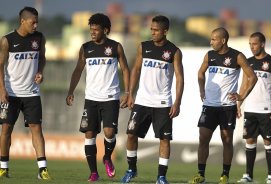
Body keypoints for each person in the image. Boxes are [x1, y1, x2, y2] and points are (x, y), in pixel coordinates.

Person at [66, 13, 130, 182]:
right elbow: (78, 70)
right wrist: (70, 91)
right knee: (89, 134)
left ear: (106, 30)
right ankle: (93, 173)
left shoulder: (115, 47)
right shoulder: (85, 48)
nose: (92, 32)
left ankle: (107, 157)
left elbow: (125, 69)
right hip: (91, 98)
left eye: (96, 29)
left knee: (109, 132)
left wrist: (128, 92)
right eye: (91, 29)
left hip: (110, 97)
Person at [120, 15, 184, 184]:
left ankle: (161, 177)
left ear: (165, 31)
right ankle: (131, 169)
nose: (153, 32)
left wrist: (177, 102)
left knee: (164, 139)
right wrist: (129, 93)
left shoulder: (174, 51)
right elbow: (136, 69)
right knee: (131, 135)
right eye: (151, 29)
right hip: (141, 101)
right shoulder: (144, 47)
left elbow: (179, 77)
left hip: (163, 103)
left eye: (156, 30)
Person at [189, 27, 257, 184]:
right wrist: (201, 90)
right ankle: (200, 175)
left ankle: (225, 174)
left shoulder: (237, 56)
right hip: (209, 105)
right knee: (203, 138)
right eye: (211, 39)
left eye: (214, 39)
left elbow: (252, 77)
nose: (211, 42)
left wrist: (242, 96)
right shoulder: (209, 55)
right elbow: (200, 73)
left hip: (227, 107)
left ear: (223, 40)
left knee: (227, 140)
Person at [0, 7, 51, 179]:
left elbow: (42, 57)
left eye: (37, 22)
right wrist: (2, 89)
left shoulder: (39, 38)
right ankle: (3, 167)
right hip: (11, 93)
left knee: (37, 128)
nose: (35, 25)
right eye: (32, 22)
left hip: (31, 93)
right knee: (6, 129)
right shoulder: (7, 40)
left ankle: (42, 169)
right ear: (23, 21)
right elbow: (0, 66)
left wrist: (40, 71)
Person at [237, 32, 271, 184]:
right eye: (250, 44)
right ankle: (248, 175)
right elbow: (244, 85)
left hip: (266, 109)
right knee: (250, 141)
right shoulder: (247, 62)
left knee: (268, 142)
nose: (252, 47)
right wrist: (239, 104)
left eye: (254, 44)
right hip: (250, 109)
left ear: (262, 44)